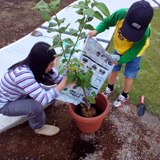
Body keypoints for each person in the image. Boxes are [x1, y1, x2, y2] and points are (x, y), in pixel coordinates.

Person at [88, 0, 153, 108]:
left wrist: (121, 60)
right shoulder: (121, 13)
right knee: (113, 68)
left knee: (129, 74)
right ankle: (110, 88)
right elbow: (106, 22)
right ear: (127, 14)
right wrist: (96, 31)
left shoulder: (145, 33)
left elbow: (134, 51)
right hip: (119, 48)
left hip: (134, 54)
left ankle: (124, 95)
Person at [0, 42, 73, 136]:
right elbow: (44, 99)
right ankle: (38, 127)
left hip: (19, 95)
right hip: (6, 104)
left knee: (52, 93)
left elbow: (56, 78)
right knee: (36, 107)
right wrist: (63, 83)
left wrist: (68, 80)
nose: (52, 66)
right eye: (51, 64)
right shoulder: (24, 75)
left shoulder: (34, 66)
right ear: (41, 64)